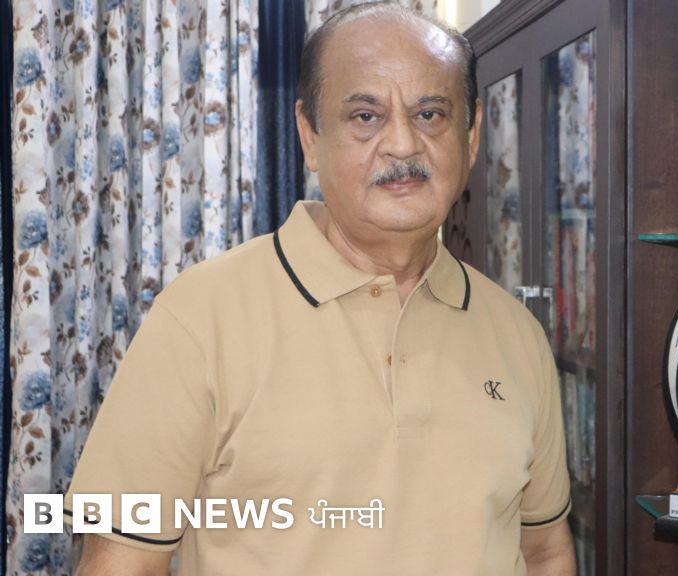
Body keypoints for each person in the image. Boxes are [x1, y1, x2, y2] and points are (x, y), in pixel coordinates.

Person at [63, 3, 576, 575]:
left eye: (430, 114)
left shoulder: (517, 334)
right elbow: (121, 563)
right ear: (310, 135)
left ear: (472, 134)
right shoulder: (199, 318)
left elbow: (545, 550)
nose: (402, 144)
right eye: (365, 116)